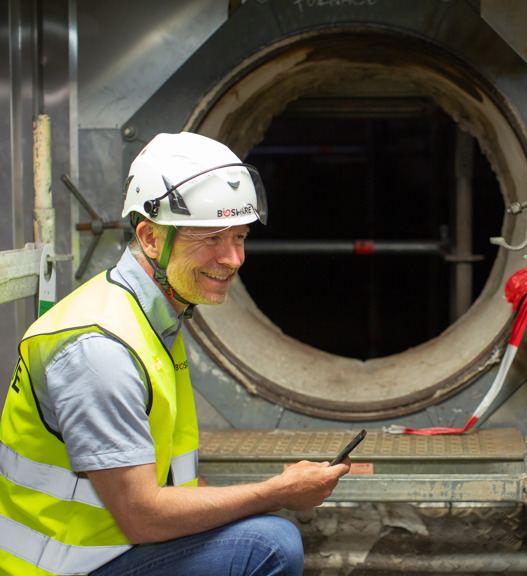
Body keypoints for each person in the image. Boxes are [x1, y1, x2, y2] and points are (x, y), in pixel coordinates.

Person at [0, 132, 349, 576]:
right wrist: (279, 491)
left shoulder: (156, 316)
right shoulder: (99, 349)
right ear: (149, 237)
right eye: (210, 239)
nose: (233, 258)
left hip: (107, 551)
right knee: (270, 543)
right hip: (65, 566)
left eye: (240, 237)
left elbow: (175, 483)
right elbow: (143, 515)